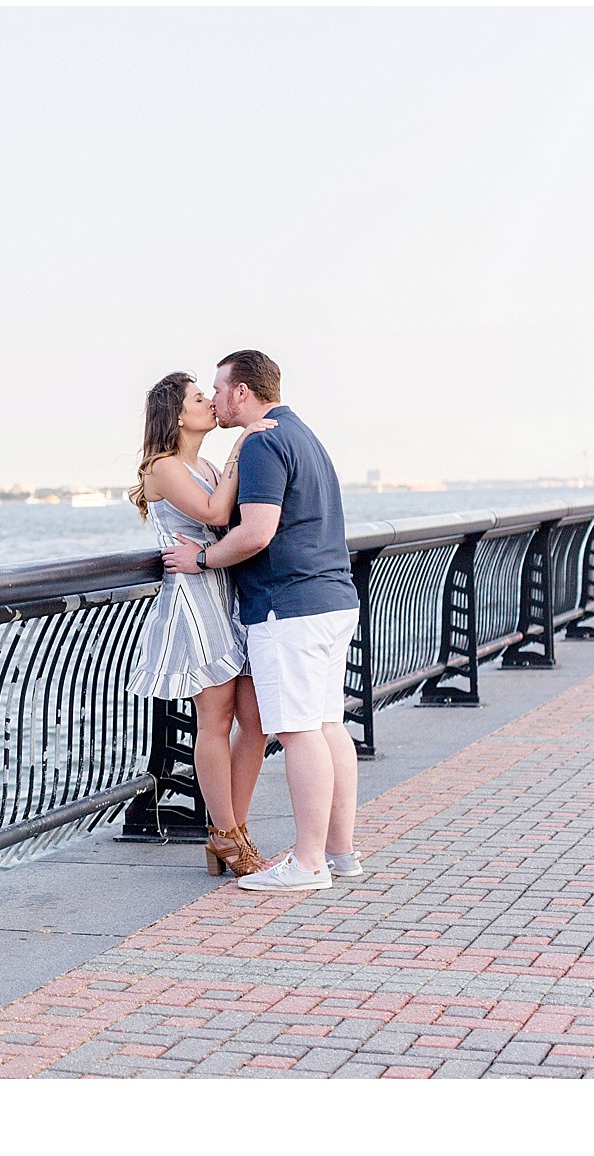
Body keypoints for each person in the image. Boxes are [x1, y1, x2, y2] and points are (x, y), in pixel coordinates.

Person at [161, 350, 364, 891]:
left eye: (220, 389)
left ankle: (307, 862)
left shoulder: (262, 442)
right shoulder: (303, 435)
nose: (216, 399)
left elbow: (256, 533)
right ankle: (340, 853)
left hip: (289, 607)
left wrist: (201, 560)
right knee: (326, 727)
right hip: (332, 598)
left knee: (299, 734)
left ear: (243, 392)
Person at [126, 371, 273, 877]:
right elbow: (214, 511)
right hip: (193, 600)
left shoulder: (206, 463)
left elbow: (227, 522)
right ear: (176, 415)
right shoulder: (163, 468)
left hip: (224, 591)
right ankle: (226, 835)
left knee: (252, 719)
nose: (211, 402)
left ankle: (234, 828)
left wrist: (231, 461)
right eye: (198, 398)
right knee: (216, 718)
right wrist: (242, 448)